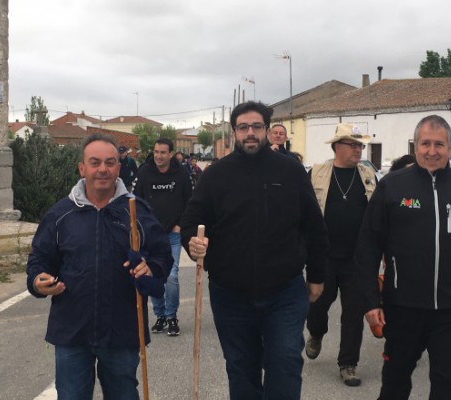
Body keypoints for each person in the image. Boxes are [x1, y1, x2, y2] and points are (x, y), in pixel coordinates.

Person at [181, 101, 329, 399]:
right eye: (243, 127)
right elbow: (192, 222)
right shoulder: (215, 176)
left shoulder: (290, 170)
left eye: (257, 127)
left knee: (285, 363)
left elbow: (313, 224)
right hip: (230, 293)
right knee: (241, 367)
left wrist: (317, 274)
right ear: (234, 132)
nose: (250, 133)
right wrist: (192, 243)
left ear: (267, 130)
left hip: (284, 292)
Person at [355, 115, 451, 400]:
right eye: (425, 144)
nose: (432, 151)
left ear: (450, 147)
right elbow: (368, 246)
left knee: (448, 386)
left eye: (439, 144)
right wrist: (371, 301)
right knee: (395, 383)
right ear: (415, 145)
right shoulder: (392, 187)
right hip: (402, 306)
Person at [26, 133, 173, 399]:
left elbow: (163, 255)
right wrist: (38, 280)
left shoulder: (137, 211)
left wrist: (151, 268)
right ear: (82, 168)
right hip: (71, 329)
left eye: (110, 162)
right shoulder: (60, 215)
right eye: (95, 163)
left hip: (123, 330)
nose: (102, 169)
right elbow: (39, 259)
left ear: (119, 167)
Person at [305, 123, 377, 387]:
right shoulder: (317, 173)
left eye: (360, 145)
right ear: (337, 147)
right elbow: (303, 211)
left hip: (357, 259)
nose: (358, 149)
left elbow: (378, 215)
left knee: (353, 313)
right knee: (317, 304)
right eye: (353, 145)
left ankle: (348, 363)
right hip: (323, 256)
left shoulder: (368, 175)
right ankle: (316, 332)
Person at [133, 138, 193, 337]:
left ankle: (171, 316)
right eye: (156, 151)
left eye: (163, 152)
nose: (159, 156)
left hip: (172, 235)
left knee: (171, 276)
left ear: (170, 154)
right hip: (149, 236)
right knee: (153, 275)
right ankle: (159, 315)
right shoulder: (144, 173)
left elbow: (190, 202)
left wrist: (180, 225)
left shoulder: (182, 174)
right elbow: (135, 201)